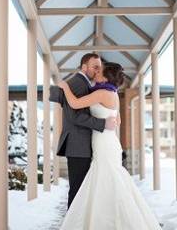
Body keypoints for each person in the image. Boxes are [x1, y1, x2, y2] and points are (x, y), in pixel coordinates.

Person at [57, 62, 162, 229]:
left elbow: (75, 104)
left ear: (105, 76)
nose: (97, 72)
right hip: (107, 141)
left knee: (106, 179)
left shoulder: (101, 93)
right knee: (108, 180)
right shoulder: (112, 92)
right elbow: (117, 120)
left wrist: (65, 87)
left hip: (104, 144)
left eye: (100, 70)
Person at [49, 53, 118, 209]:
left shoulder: (91, 86)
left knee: (83, 189)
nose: (98, 70)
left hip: (87, 144)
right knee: (78, 189)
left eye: (100, 68)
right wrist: (103, 123)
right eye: (95, 67)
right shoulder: (79, 83)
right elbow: (75, 116)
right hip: (78, 144)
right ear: (84, 67)